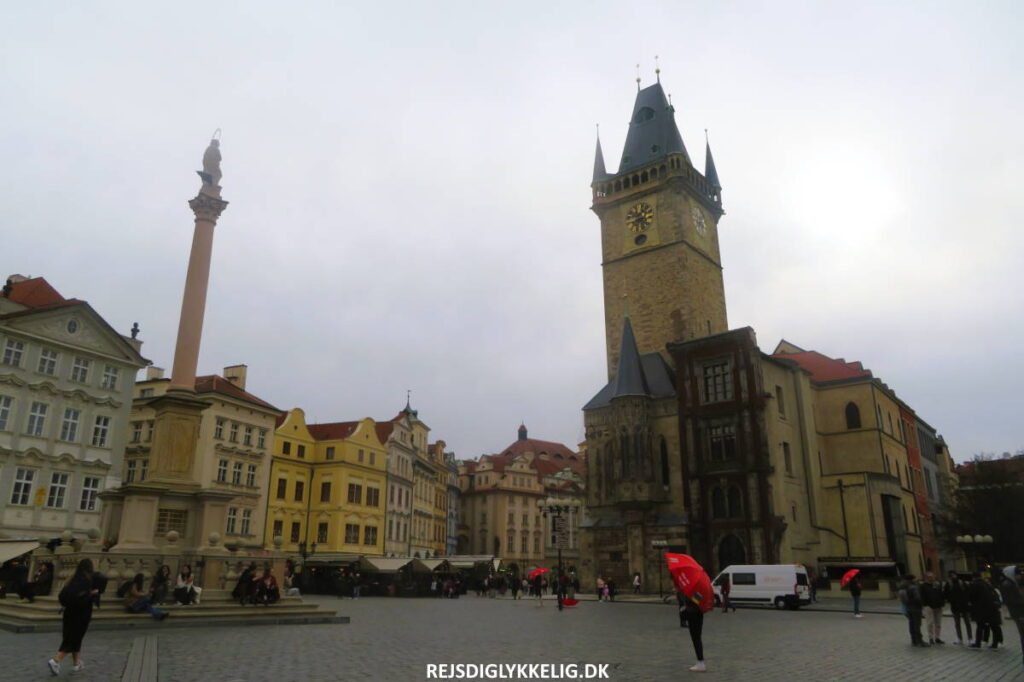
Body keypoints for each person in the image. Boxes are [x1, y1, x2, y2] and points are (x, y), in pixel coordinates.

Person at [48, 558, 99, 675]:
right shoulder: (87, 581)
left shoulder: (72, 578)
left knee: (74, 636)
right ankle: (56, 660)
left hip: (69, 612)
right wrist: (92, 594)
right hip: (81, 613)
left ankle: (76, 663)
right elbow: (84, 598)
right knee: (72, 638)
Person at [998, 565, 1024, 669]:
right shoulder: (1008, 585)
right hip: (1020, 614)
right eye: (1017, 574)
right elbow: (1015, 601)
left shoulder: (1012, 583)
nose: (1019, 576)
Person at [969, 573, 1003, 649]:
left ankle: (978, 643)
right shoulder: (987, 585)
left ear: (973, 578)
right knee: (994, 626)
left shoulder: (975, 585)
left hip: (980, 609)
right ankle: (995, 644)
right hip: (991, 608)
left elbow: (971, 597)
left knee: (980, 626)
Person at [898, 574, 927, 647]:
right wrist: (922, 604)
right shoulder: (913, 587)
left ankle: (913, 640)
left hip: (908, 607)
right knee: (917, 624)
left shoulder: (902, 586)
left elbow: (902, 599)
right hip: (916, 608)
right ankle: (919, 641)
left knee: (911, 624)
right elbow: (917, 598)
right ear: (912, 579)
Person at [945, 571, 973, 645]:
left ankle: (970, 638)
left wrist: (967, 601)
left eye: (953, 575)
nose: (953, 577)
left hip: (964, 606)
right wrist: (950, 600)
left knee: (967, 623)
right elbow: (946, 594)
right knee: (957, 623)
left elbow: (968, 592)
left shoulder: (962, 583)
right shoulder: (948, 584)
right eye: (951, 576)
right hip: (955, 606)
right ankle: (959, 638)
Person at [682, 596, 707, 672]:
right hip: (698, 614)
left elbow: (691, 603)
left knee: (696, 639)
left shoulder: (694, 593)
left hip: (693, 615)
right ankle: (700, 662)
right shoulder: (698, 593)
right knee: (697, 638)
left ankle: (700, 663)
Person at [920, 572, 946, 644]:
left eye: (933, 577)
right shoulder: (923, 586)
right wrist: (925, 605)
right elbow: (921, 596)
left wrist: (942, 603)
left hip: (938, 606)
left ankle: (937, 637)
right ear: (926, 578)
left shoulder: (937, 585)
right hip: (928, 606)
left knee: (938, 623)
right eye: (930, 577)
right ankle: (931, 638)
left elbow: (941, 594)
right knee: (930, 623)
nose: (932, 578)